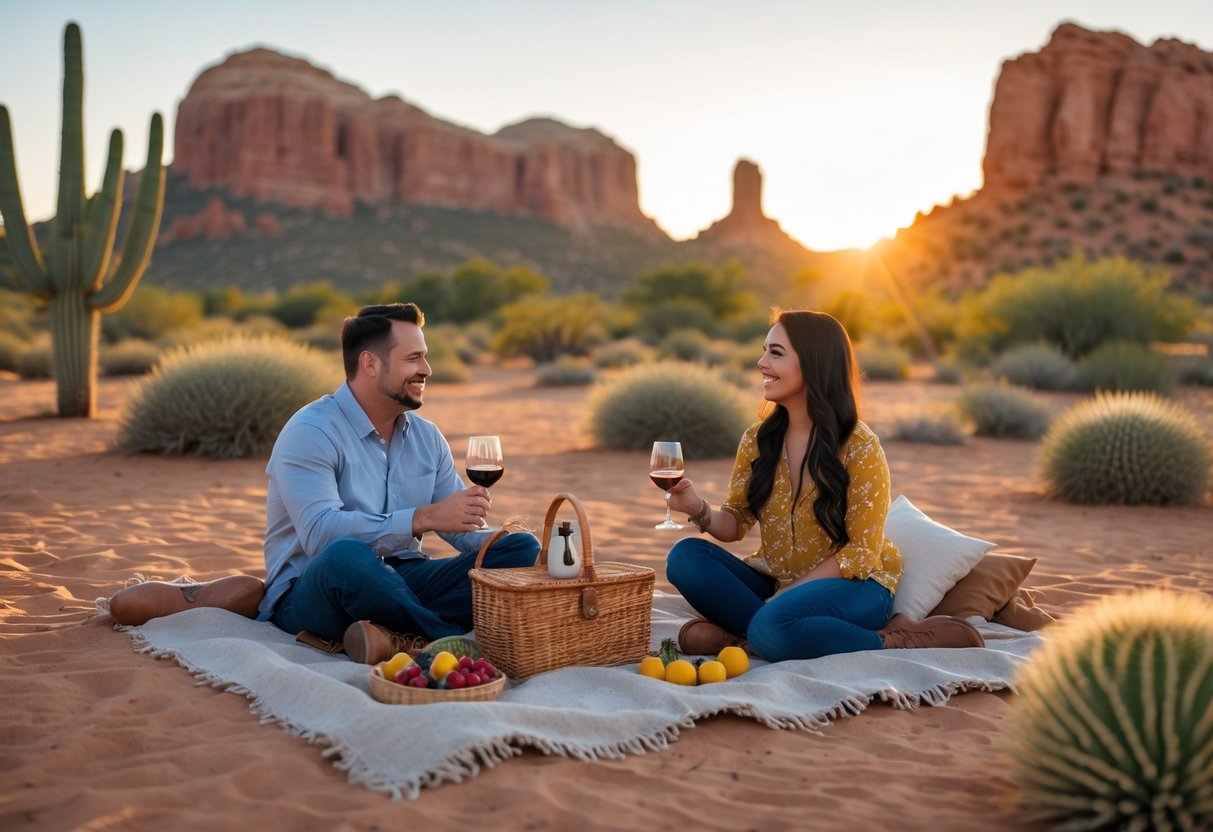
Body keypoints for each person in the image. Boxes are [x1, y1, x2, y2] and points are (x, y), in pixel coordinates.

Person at [664, 309, 984, 660]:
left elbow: (861, 551)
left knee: (772, 624)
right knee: (686, 557)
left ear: (814, 364)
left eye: (775, 353)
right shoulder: (756, 440)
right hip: (778, 581)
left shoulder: (860, 445)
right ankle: (763, 634)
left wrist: (784, 600)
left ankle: (893, 637)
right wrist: (698, 508)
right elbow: (736, 523)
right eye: (764, 350)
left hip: (855, 588)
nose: (760, 362)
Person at [257, 302, 539, 663]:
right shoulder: (310, 432)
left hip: (403, 578)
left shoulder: (426, 436)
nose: (427, 369)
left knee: (518, 549)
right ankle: (441, 638)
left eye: (425, 358)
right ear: (370, 363)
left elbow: (460, 529)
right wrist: (422, 517)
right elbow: (321, 535)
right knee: (345, 556)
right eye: (414, 358)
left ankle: (392, 634)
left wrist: (516, 544)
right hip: (313, 590)